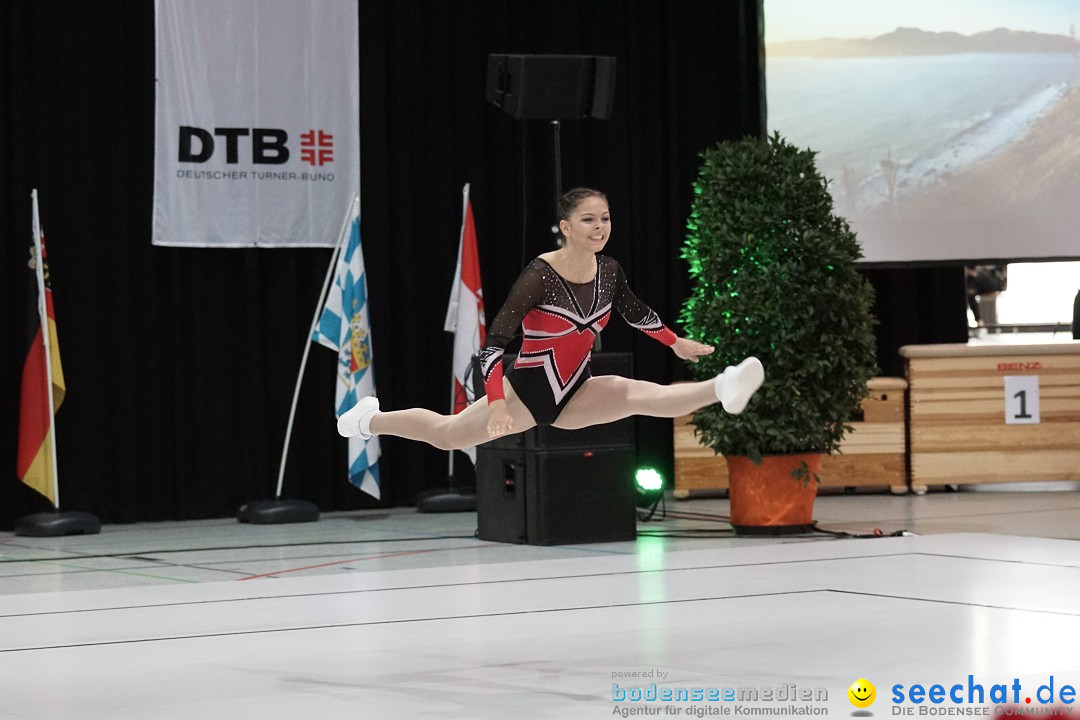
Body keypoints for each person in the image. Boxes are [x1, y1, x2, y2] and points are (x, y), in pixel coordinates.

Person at [336, 187, 764, 449]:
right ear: (566, 226)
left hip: (577, 387)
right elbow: (490, 349)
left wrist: (677, 343)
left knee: (640, 396)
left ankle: (723, 385)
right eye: (589, 219)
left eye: (606, 218)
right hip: (527, 390)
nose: (600, 227)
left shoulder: (609, 270)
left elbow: (635, 312)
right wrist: (500, 405)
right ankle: (369, 420)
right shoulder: (540, 276)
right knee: (447, 436)